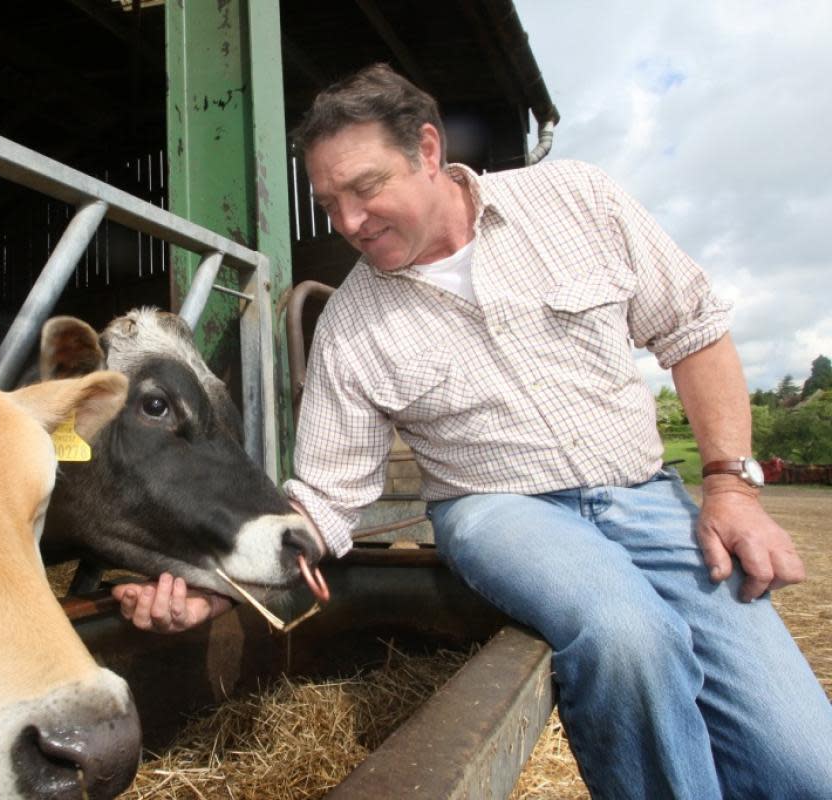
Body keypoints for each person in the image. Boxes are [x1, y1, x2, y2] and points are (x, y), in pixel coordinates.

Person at [113, 63, 832, 797]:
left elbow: (694, 332)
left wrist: (730, 487)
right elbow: (327, 498)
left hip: (645, 494)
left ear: (428, 149)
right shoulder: (352, 325)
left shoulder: (577, 199)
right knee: (627, 638)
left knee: (808, 764)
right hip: (500, 511)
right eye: (330, 204)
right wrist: (220, 583)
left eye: (365, 188)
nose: (348, 223)